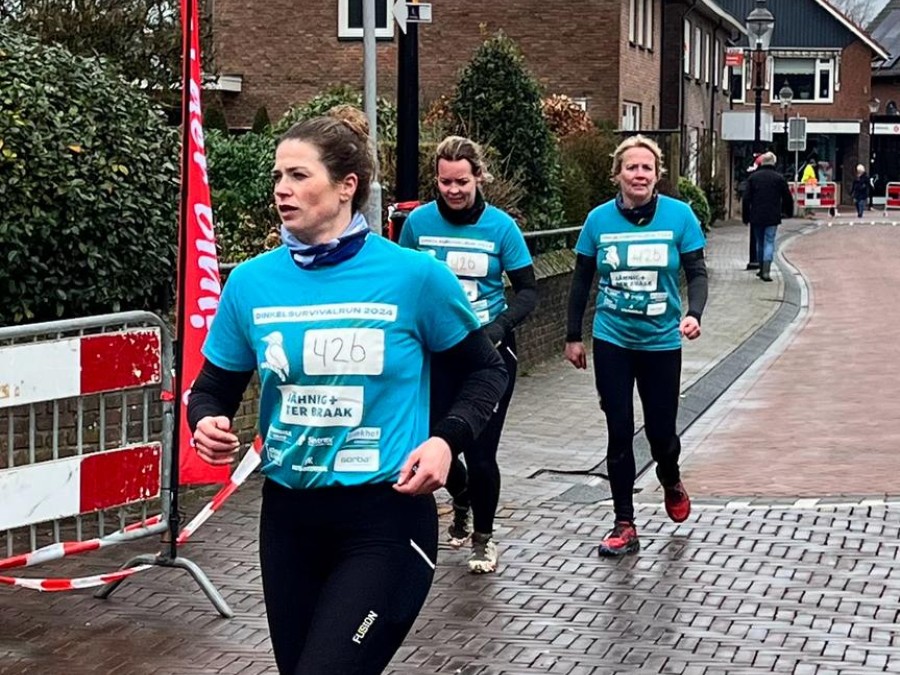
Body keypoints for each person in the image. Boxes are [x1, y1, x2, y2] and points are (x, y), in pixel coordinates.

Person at [187, 107, 508, 675]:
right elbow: (212, 388)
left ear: (346, 186)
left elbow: (487, 371)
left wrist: (445, 442)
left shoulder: (414, 276)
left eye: (298, 175)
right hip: (288, 520)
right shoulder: (251, 283)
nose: (281, 189)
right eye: (278, 176)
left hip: (385, 521)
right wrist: (205, 422)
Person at [564, 135, 708, 557]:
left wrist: (694, 313)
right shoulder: (598, 220)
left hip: (661, 341)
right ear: (618, 174)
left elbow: (697, 273)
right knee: (619, 429)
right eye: (631, 167)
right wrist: (572, 336)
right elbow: (581, 281)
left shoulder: (680, 216)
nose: (639, 175)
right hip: (613, 338)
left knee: (661, 433)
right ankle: (624, 523)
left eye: (647, 168)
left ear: (657, 174)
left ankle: (670, 476)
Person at [399, 136, 537, 574]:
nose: (454, 190)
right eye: (446, 182)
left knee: (480, 452)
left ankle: (483, 538)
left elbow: (528, 291)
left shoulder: (501, 227)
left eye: (462, 181)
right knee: (430, 440)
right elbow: (404, 284)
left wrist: (498, 327)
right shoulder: (418, 224)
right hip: (435, 353)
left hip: (486, 355)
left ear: (479, 177)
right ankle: (460, 496)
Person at [742, 151, 794, 282]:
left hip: (756, 215)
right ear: (774, 163)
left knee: (760, 242)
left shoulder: (753, 178)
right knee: (769, 241)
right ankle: (766, 270)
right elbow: (787, 197)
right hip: (772, 215)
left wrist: (746, 216)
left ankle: (761, 268)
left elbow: (746, 198)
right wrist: (788, 212)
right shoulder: (779, 178)